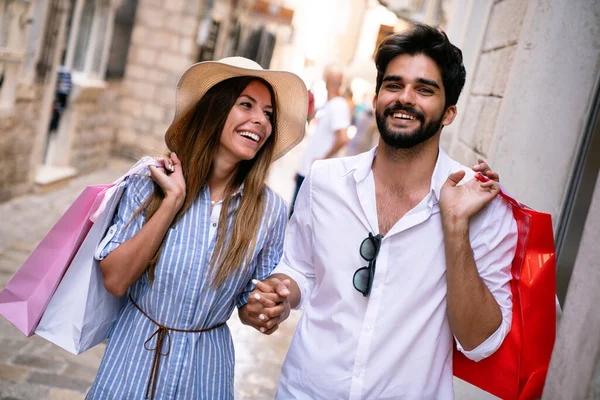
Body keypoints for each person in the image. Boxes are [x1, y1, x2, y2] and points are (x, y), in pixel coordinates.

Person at [243, 24, 518, 399]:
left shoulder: (482, 206)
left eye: (424, 89)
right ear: (376, 98)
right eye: (393, 85)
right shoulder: (325, 181)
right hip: (306, 390)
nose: (405, 98)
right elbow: (299, 267)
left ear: (449, 112)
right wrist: (282, 290)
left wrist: (455, 227)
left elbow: (479, 341)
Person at [85, 57, 307, 400]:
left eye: (268, 114)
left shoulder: (270, 210)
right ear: (215, 110)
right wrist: (172, 200)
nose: (260, 120)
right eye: (246, 105)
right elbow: (114, 280)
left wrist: (268, 308)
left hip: (206, 374)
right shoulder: (152, 181)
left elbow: (251, 306)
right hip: (132, 361)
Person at [289, 64, 352, 217]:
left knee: (299, 219)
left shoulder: (338, 105)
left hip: (315, 172)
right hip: (308, 170)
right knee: (295, 216)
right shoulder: (329, 104)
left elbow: (343, 138)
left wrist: (322, 160)